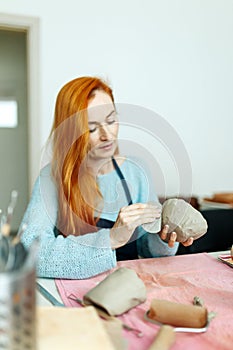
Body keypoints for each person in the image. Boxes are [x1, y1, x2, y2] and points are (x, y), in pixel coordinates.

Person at [20, 76, 193, 279]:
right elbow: (30, 253)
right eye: (92, 128)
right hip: (74, 294)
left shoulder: (137, 172)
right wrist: (110, 238)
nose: (107, 135)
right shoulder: (51, 179)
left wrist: (163, 240)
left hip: (129, 290)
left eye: (111, 120)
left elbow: (147, 250)